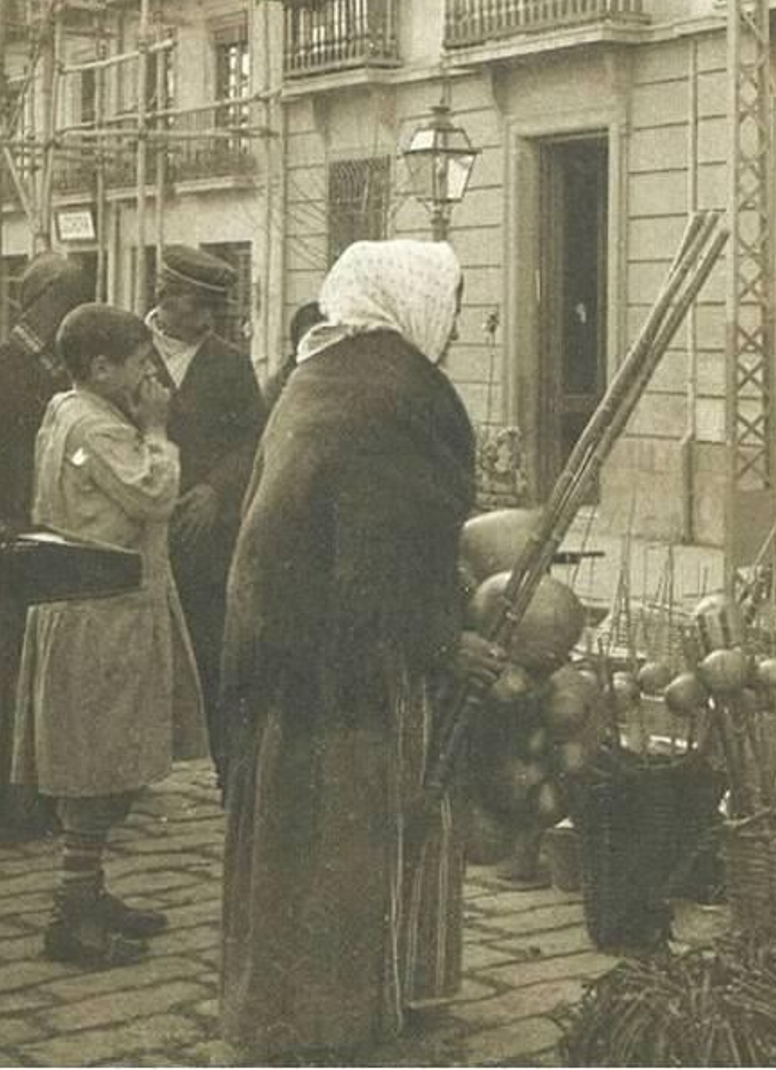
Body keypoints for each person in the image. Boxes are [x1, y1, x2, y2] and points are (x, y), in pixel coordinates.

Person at [219, 240, 509, 1060]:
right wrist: (442, 641)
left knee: (287, 836)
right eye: (449, 304)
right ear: (412, 301)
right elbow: (382, 548)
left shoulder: (320, 371)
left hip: (282, 648)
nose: (452, 327)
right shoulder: (398, 393)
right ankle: (330, 1022)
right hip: (343, 663)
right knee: (346, 840)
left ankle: (276, 1008)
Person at [13, 303, 208, 967]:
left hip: (98, 607)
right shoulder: (102, 427)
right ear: (100, 367)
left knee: (103, 757)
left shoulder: (67, 409)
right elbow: (154, 495)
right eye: (138, 363)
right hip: (103, 616)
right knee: (98, 763)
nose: (150, 374)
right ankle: (71, 912)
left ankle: (88, 891)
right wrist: (156, 428)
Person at [0, 252, 90, 838]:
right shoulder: (1, 370)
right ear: (42, 303)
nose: (72, 313)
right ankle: (2, 804)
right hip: (6, 537)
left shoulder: (53, 372)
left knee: (35, 672)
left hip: (42, 535)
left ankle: (29, 796)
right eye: (67, 301)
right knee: (8, 675)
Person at [144, 245, 265, 790]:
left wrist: (217, 490)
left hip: (203, 538)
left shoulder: (230, 363)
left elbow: (251, 441)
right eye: (195, 307)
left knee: (213, 651)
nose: (205, 320)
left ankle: (229, 772)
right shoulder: (124, 349)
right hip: (138, 527)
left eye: (212, 309)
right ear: (164, 298)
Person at [260, 300, 324, 408]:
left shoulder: (341, 378)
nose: (316, 349)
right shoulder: (280, 384)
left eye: (322, 341)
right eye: (309, 343)